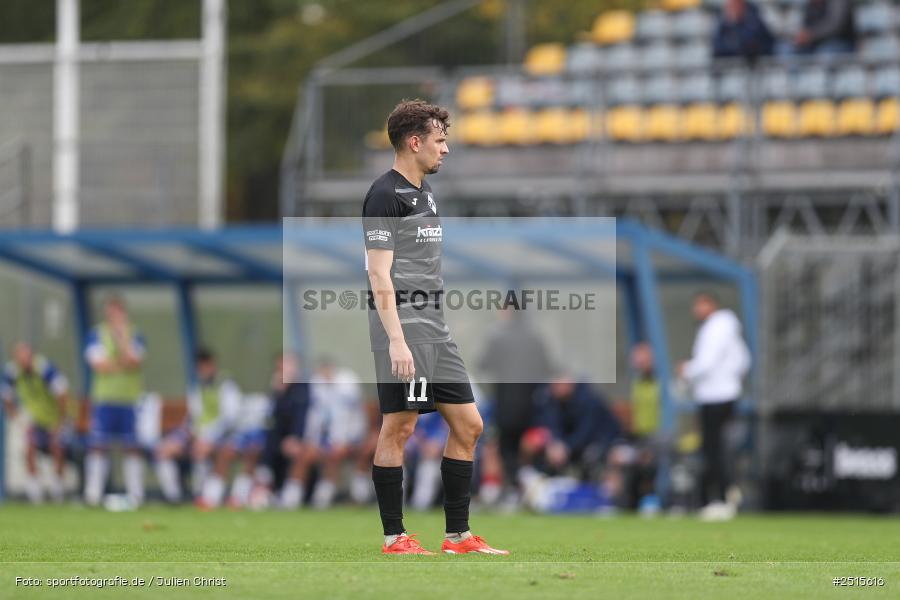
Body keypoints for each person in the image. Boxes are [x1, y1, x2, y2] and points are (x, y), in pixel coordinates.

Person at [362, 99, 507, 555]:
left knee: (469, 424)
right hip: (404, 329)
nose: (446, 150)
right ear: (415, 141)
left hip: (435, 329)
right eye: (440, 141)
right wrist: (397, 340)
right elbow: (378, 273)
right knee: (399, 429)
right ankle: (394, 537)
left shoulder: (425, 193)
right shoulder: (384, 194)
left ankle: (458, 536)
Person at [677, 292, 751, 521]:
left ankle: (719, 499)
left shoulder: (716, 327)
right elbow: (744, 361)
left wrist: (686, 370)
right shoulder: (728, 328)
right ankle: (724, 497)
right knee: (718, 448)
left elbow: (706, 363)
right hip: (723, 395)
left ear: (711, 304)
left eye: (700, 304)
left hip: (715, 397)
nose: (696, 309)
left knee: (713, 449)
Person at [478, 308, 551, 506]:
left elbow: (483, 364)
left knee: (508, 451)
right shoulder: (534, 338)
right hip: (531, 407)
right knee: (528, 451)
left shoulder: (498, 338)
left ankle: (516, 491)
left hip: (507, 407)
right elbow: (546, 367)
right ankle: (530, 490)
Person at [83, 295, 147, 507]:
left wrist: (122, 341)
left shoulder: (134, 334)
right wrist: (121, 363)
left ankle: (136, 495)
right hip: (104, 399)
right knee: (99, 445)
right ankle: (92, 495)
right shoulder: (96, 334)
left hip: (129, 399)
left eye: (118, 312)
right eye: (111, 312)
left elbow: (135, 361)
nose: (115, 316)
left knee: (131, 446)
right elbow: (99, 365)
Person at [1, 342, 69, 503]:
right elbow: (6, 396)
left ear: (31, 356)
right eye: (19, 357)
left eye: (25, 356)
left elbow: (62, 394)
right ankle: (35, 491)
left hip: (53, 416)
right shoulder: (12, 372)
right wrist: (16, 418)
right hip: (32, 416)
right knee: (29, 447)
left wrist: (59, 421)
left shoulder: (45, 368)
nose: (22, 360)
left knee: (57, 449)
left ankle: (57, 489)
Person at [521, 374, 623, 481]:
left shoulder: (589, 400)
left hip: (603, 443)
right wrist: (555, 443)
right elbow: (550, 423)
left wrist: (566, 447)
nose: (554, 388)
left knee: (592, 458)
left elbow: (585, 433)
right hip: (571, 445)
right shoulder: (552, 399)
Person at [303, 357, 369, 508]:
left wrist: (343, 441)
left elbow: (349, 417)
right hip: (328, 438)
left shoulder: (347, 382)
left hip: (354, 435)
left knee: (336, 455)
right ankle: (294, 498)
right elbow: (315, 416)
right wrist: (311, 441)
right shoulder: (317, 384)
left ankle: (358, 497)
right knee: (307, 455)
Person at [187, 348, 242, 509]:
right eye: (198, 368)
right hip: (204, 436)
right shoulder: (197, 387)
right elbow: (195, 416)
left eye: (204, 367)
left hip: (229, 435)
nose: (201, 371)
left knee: (223, 452)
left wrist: (208, 437)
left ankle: (210, 497)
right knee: (170, 449)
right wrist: (197, 435)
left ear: (212, 365)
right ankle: (194, 495)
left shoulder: (227, 384)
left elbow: (230, 418)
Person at [261, 353, 312, 509]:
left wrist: (296, 438)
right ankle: (265, 485)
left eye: (286, 366)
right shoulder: (279, 392)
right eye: (280, 367)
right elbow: (272, 421)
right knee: (265, 445)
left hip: (305, 438)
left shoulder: (305, 388)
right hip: (281, 441)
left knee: (301, 452)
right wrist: (278, 394)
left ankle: (291, 497)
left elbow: (306, 418)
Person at [790, 0, 855, 55]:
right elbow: (804, 26)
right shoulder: (810, 4)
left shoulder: (839, 2)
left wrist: (811, 35)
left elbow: (835, 26)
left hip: (840, 42)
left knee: (825, 53)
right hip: (813, 43)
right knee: (789, 50)